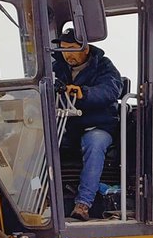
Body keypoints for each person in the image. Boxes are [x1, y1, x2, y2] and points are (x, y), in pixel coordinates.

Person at [52, 29, 124, 221]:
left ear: (86, 49)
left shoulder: (104, 66)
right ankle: (37, 199)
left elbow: (110, 90)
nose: (67, 54)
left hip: (98, 126)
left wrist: (84, 93)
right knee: (38, 142)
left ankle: (83, 205)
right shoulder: (56, 68)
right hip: (67, 127)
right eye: (63, 49)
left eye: (72, 49)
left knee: (95, 143)